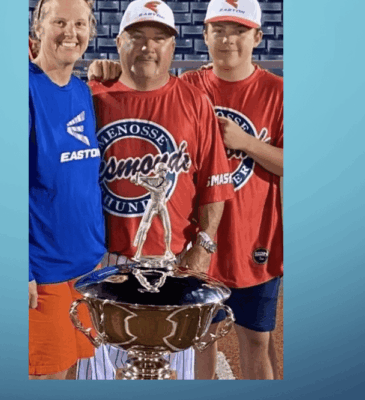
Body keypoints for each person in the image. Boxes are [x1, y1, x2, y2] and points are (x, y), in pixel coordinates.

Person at [88, 0, 283, 381]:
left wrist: (204, 244)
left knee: (246, 342)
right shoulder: (96, 93)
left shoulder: (256, 94)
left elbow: (217, 183)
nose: (148, 46)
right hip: (114, 256)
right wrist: (101, 72)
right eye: (137, 37)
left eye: (159, 38)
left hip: (210, 249)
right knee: (112, 362)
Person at [29, 0, 106, 380]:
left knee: (72, 371)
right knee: (46, 375)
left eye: (79, 23)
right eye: (59, 21)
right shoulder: (24, 90)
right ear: (38, 28)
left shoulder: (80, 91)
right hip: (43, 273)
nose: (70, 33)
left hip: (85, 268)